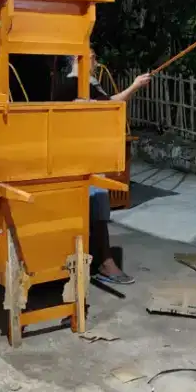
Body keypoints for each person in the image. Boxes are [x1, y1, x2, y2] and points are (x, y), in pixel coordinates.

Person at [56, 50, 151, 284]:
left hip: (85, 155)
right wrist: (135, 86)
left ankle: (98, 260)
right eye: (92, 56)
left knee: (98, 200)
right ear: (79, 60)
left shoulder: (84, 84)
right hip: (73, 158)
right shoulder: (72, 85)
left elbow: (105, 105)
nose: (96, 61)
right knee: (96, 199)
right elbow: (108, 106)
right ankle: (102, 262)